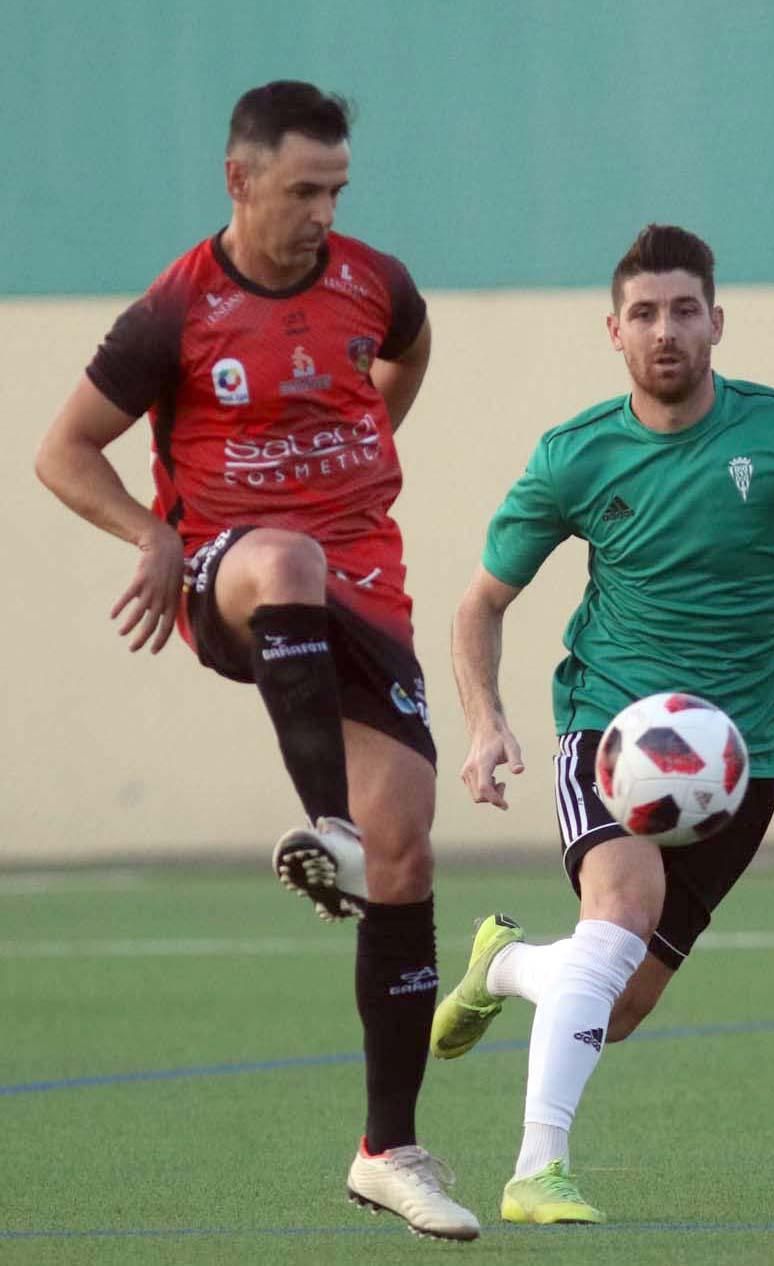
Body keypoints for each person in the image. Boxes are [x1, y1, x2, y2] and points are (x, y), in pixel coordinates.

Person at [430, 223, 774, 1224]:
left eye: (684, 309)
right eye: (643, 313)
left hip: (744, 759)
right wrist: (486, 722)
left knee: (619, 1003)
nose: (664, 329)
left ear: (716, 321)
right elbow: (477, 604)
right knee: (619, 915)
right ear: (613, 330)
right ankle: (534, 1168)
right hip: (611, 731)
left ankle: (502, 965)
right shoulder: (574, 455)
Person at [35, 81, 479, 1242]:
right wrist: (154, 533)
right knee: (281, 556)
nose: (323, 211)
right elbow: (62, 450)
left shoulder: (373, 282)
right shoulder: (177, 310)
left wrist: (365, 444)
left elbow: (410, 353)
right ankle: (318, 822)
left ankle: (389, 1149)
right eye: (301, 190)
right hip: (235, 574)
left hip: (362, 577)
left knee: (409, 844)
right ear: (239, 182)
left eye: (336, 189)